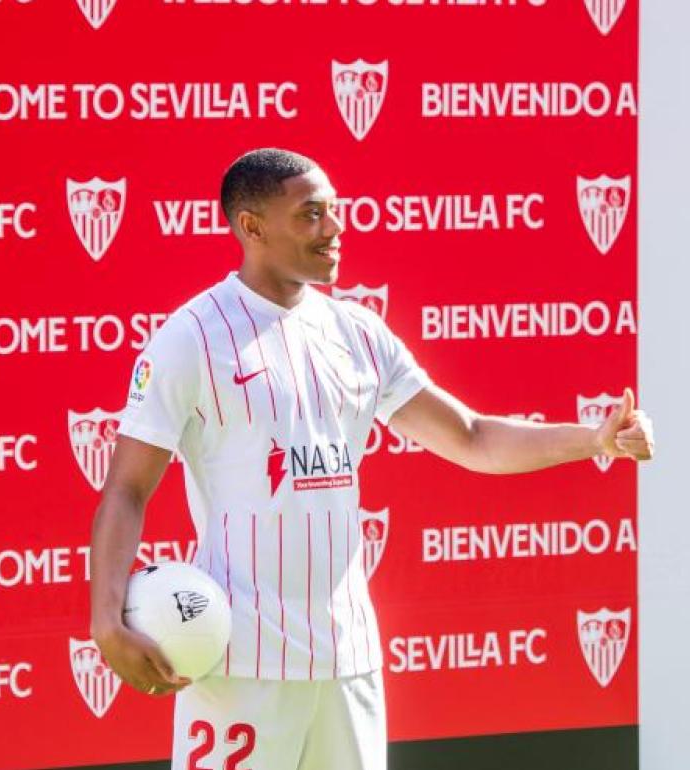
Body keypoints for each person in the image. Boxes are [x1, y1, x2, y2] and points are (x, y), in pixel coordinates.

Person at [89, 148, 655, 770]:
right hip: (241, 664)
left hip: (348, 659)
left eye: (333, 211)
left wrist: (595, 440)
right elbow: (126, 489)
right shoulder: (191, 337)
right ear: (251, 227)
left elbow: (470, 437)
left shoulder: (358, 332)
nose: (334, 229)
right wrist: (106, 621)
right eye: (310, 214)